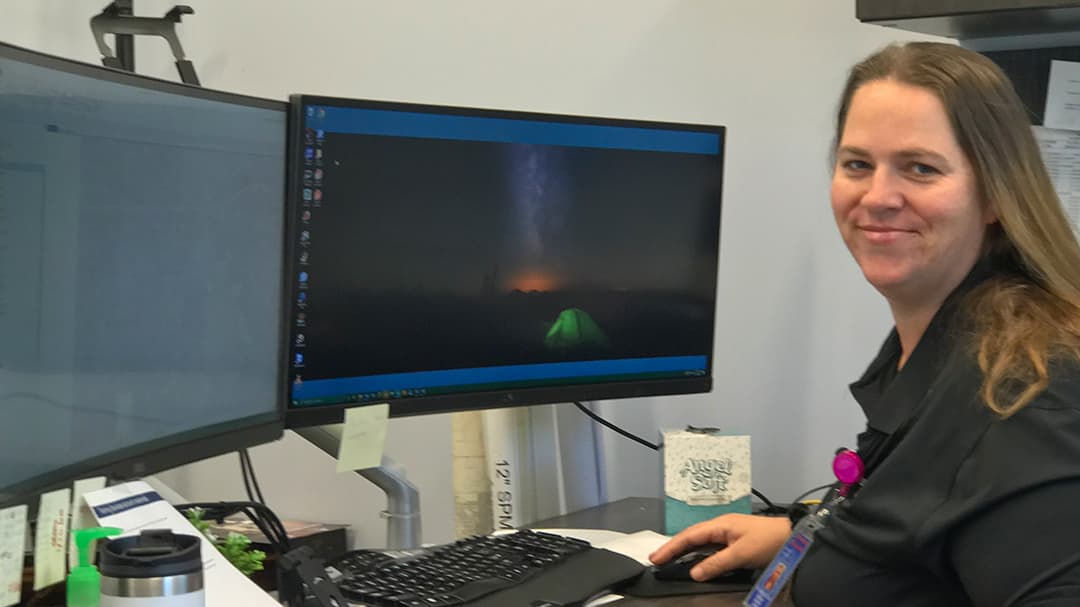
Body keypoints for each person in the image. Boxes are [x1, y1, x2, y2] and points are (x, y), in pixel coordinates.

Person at [650, 41, 1080, 605]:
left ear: (997, 193)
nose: (878, 197)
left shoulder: (1026, 392)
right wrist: (806, 533)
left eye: (920, 168)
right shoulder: (943, 339)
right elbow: (927, 511)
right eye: (857, 164)